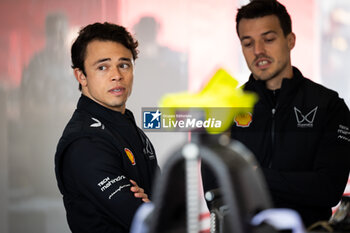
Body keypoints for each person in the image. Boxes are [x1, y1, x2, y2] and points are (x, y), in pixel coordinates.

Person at [230, 0, 350, 227]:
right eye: (248, 43)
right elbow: (217, 190)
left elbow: (328, 189)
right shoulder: (227, 109)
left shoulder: (329, 106)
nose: (258, 51)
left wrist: (255, 176)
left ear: (290, 40)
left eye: (268, 39)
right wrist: (297, 183)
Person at [54, 22, 160, 233]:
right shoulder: (85, 142)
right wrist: (154, 208)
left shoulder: (125, 125)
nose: (116, 75)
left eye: (124, 65)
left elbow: (164, 198)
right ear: (81, 76)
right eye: (102, 67)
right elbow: (145, 220)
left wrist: (155, 205)